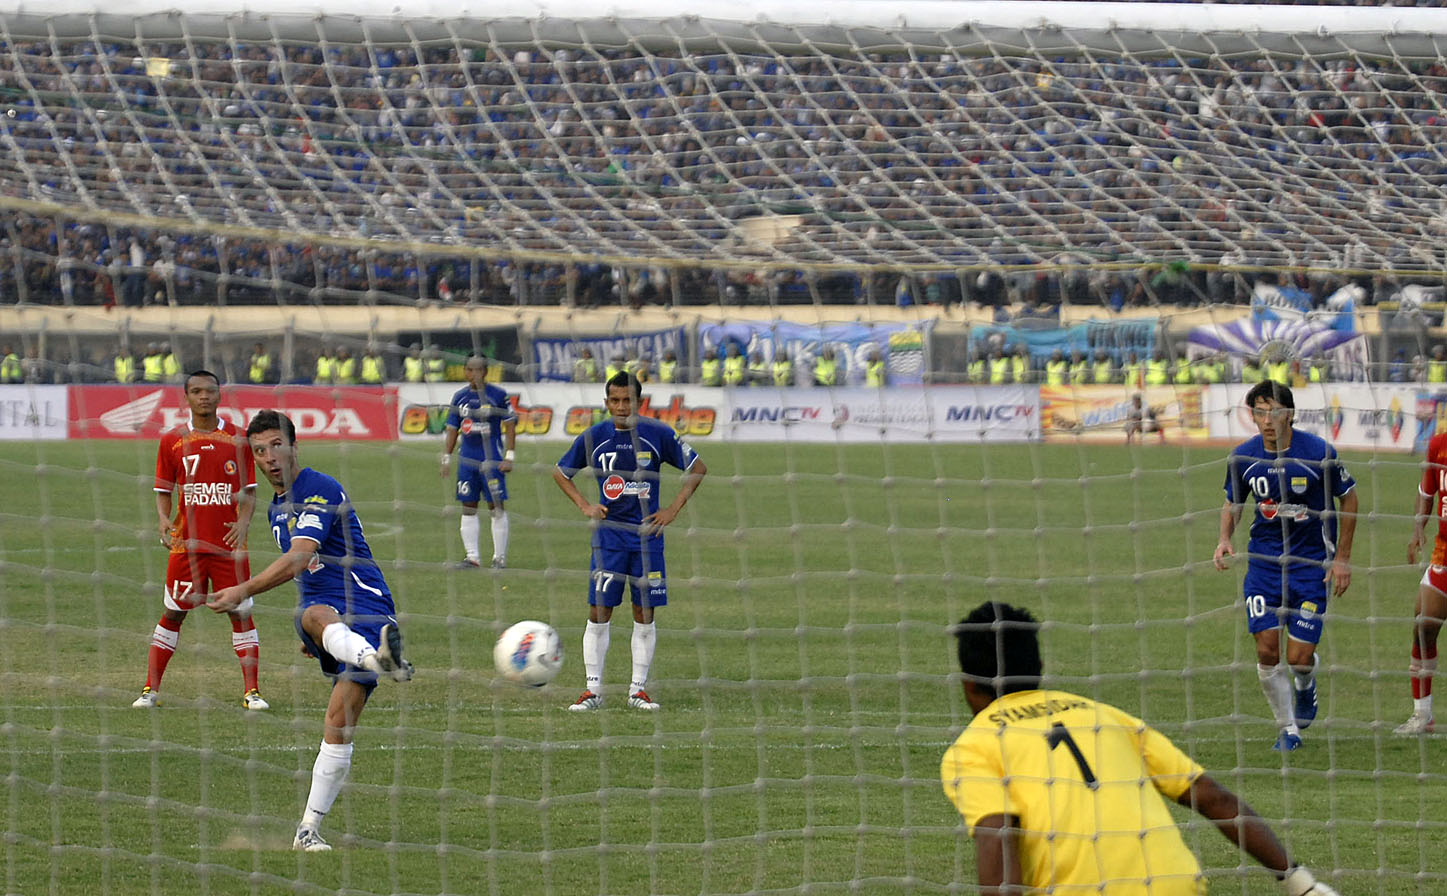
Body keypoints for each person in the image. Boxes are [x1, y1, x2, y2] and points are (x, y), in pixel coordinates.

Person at [942, 601, 1341, 896]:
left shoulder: (974, 747)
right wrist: (1299, 883)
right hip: (1176, 884)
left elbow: (998, 835)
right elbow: (1214, 798)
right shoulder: (1105, 716)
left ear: (968, 684)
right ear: (1039, 668)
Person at [206, 410, 414, 853]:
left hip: (367, 606)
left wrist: (242, 589)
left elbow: (301, 558)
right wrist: (322, 639)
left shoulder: (319, 487)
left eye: (277, 446)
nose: (269, 457)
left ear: (294, 446)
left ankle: (308, 827)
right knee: (312, 615)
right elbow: (307, 575)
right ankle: (376, 658)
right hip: (330, 622)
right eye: (260, 451)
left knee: (339, 722)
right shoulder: (276, 509)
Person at [1214, 381, 1357, 752]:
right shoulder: (1243, 457)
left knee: (1299, 658)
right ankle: (1288, 729)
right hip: (1262, 566)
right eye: (1259, 412)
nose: (1267, 420)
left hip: (1310, 566)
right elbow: (1233, 502)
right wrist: (1224, 538)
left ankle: (1305, 683)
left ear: (1290, 413)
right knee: (1266, 651)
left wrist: (1341, 558)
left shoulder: (1318, 453)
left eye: (1274, 411)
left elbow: (1349, 499)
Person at [552, 371, 707, 711]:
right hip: (609, 540)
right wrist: (584, 505)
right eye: (615, 401)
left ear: (640, 402)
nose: (621, 407)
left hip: (647, 540)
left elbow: (697, 468)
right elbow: (561, 473)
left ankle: (638, 690)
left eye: (628, 400)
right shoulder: (594, 437)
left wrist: (672, 510)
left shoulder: (659, 434)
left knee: (644, 612)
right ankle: (592, 690)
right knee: (599, 611)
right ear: (606, 402)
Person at [133, 370, 265, 710]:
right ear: (187, 397)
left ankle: (252, 692)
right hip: (186, 546)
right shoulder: (171, 440)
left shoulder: (239, 439)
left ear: (220, 395)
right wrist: (163, 518)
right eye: (196, 391)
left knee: (241, 612)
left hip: (229, 547)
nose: (203, 396)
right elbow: (163, 488)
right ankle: (150, 689)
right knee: (173, 613)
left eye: (209, 391)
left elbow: (249, 492)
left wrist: (244, 523)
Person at [441, 356, 517, 569]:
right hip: (467, 461)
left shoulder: (498, 395)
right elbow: (452, 429)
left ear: (485, 371)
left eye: (477, 370)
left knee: (496, 507)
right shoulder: (459, 397)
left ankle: (499, 558)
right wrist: (446, 457)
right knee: (468, 506)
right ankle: (472, 557)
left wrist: (509, 456)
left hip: (491, 460)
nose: (472, 374)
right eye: (469, 370)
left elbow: (510, 425)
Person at [1397, 427, 1447, 734]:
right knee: (1424, 625)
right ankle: (1422, 715)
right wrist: (1418, 529)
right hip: (1444, 554)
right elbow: (1426, 491)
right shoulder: (1439, 444)